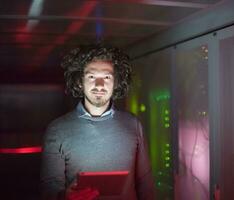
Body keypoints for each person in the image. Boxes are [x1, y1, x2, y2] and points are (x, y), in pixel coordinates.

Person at [40, 42, 154, 200]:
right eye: (92, 76)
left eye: (107, 77)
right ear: (80, 81)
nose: (99, 85)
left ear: (115, 82)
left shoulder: (133, 124)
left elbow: (145, 183)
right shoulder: (57, 129)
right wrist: (63, 196)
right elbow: (49, 186)